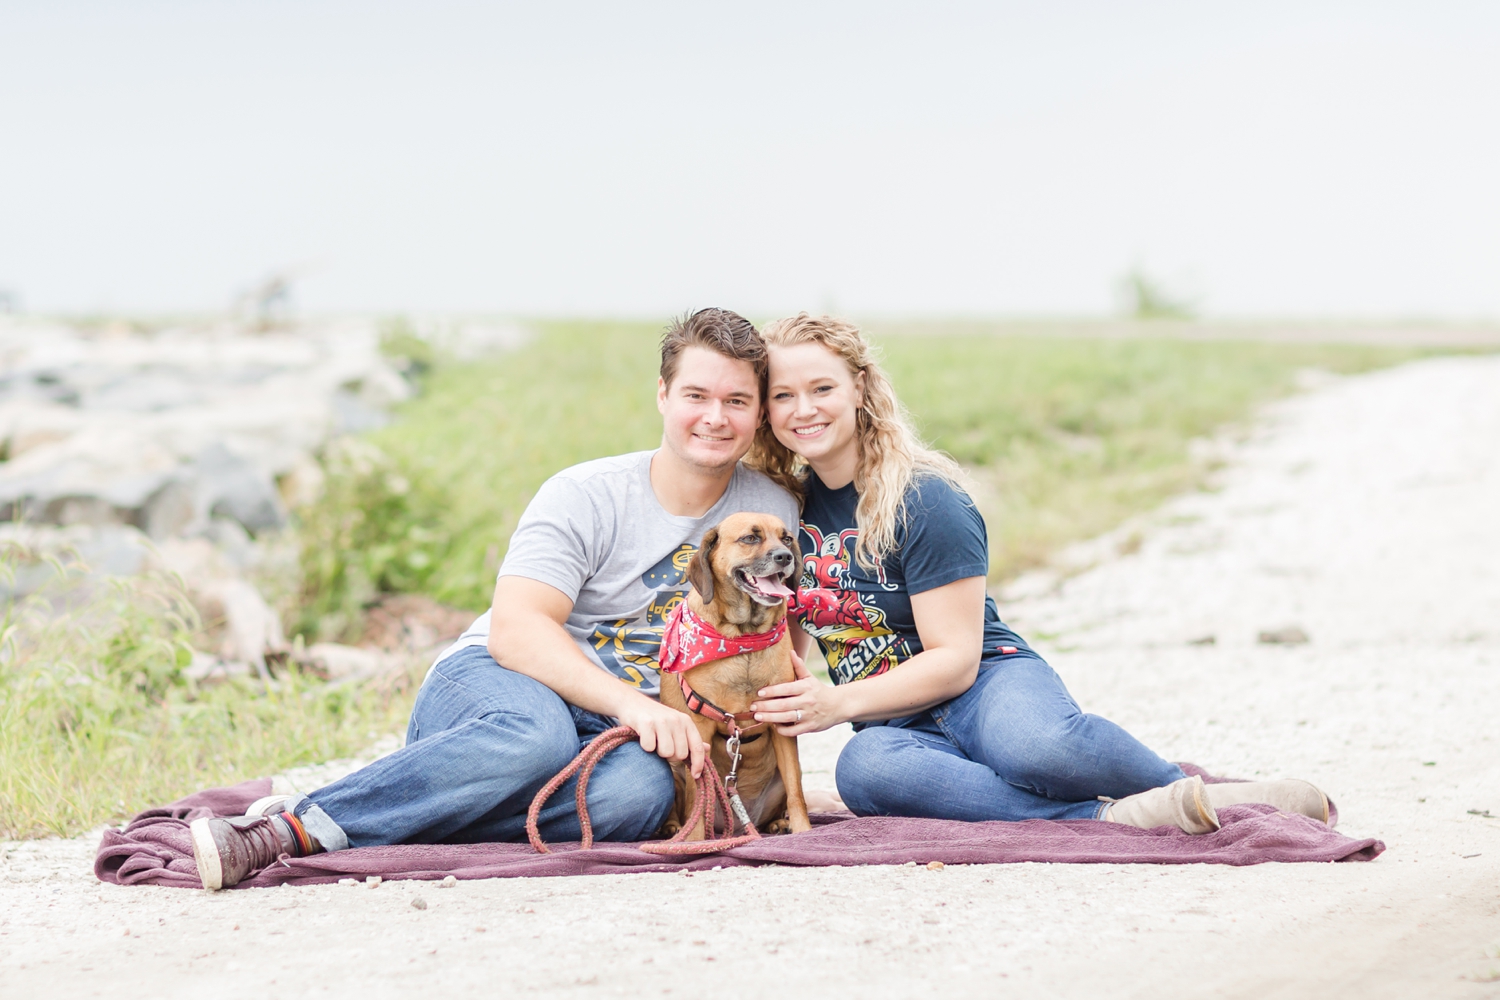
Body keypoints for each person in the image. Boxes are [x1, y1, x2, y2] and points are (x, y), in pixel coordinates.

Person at [189, 308, 799, 889]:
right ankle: (286, 828)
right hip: (500, 684)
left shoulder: (771, 512)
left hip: (614, 733)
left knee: (639, 797)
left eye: (736, 401)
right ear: (664, 395)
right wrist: (634, 707)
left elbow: (781, 642)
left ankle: (410, 814)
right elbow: (516, 631)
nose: (715, 416)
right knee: (537, 737)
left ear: (756, 413)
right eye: (697, 395)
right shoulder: (586, 495)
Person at [745, 314, 1330, 833]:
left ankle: (1192, 790)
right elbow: (785, 658)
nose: (804, 409)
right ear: (767, 410)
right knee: (864, 772)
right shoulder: (779, 517)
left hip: (985, 687)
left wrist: (839, 702)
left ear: (859, 390)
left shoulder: (924, 499)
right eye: (784, 395)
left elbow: (955, 660)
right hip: (896, 727)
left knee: (1036, 749)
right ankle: (1104, 818)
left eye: (822, 388)